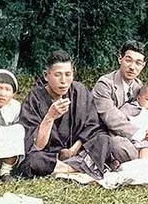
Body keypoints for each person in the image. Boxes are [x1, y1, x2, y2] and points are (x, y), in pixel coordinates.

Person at [18, 50, 114, 179]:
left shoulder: (79, 91)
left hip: (78, 150)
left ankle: (67, 168)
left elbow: (93, 126)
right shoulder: (35, 98)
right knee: (32, 160)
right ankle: (78, 168)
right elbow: (35, 146)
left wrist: (74, 149)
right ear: (46, 76)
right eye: (57, 75)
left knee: (103, 139)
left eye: (68, 74)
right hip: (51, 156)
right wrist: (49, 117)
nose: (63, 81)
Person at [92, 39, 148, 163]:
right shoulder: (105, 84)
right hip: (108, 132)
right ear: (120, 59)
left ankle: (140, 157)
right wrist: (140, 134)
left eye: (138, 63)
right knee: (120, 147)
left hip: (133, 133)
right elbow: (111, 118)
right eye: (128, 60)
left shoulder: (138, 85)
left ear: (143, 65)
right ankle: (145, 157)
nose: (132, 67)